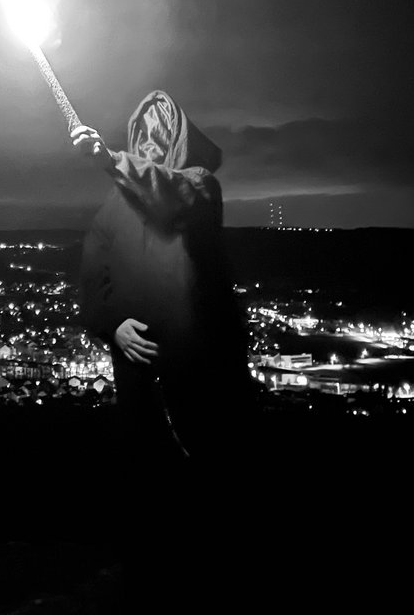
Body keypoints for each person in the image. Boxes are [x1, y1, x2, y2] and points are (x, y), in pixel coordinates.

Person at [72, 90, 252, 606]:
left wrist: (110, 160)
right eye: (141, 135)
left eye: (160, 134)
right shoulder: (114, 205)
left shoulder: (199, 185)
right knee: (147, 476)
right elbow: (92, 279)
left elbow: (171, 197)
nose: (150, 144)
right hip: (138, 372)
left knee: (207, 473)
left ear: (178, 139)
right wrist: (113, 325)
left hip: (200, 368)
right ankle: (148, 581)